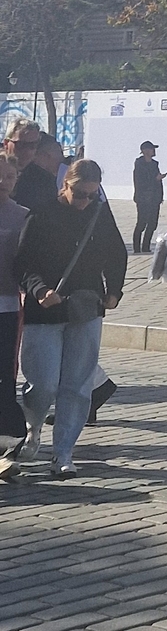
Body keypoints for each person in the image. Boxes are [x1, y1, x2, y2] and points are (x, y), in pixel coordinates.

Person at [16, 156, 127, 477]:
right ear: (65, 184)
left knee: (78, 385)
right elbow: (23, 262)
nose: (85, 201)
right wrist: (39, 290)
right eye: (79, 194)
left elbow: (117, 253)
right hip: (45, 311)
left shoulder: (99, 214)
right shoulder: (42, 214)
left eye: (92, 194)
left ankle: (63, 452)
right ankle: (32, 426)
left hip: (86, 308)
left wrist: (114, 291)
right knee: (43, 384)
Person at [0, 151, 28, 477]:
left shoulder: (22, 216)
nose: (2, 182)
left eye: (9, 176)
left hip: (7, 307)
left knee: (5, 378)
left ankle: (8, 446)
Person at [131, 143, 166, 255]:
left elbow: (158, 182)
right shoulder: (139, 165)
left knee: (152, 223)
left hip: (154, 198)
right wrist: (155, 179)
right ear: (145, 150)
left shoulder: (154, 164)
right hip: (143, 198)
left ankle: (146, 246)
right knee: (141, 223)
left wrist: (160, 196)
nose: (153, 151)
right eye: (151, 149)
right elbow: (140, 182)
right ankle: (136, 248)